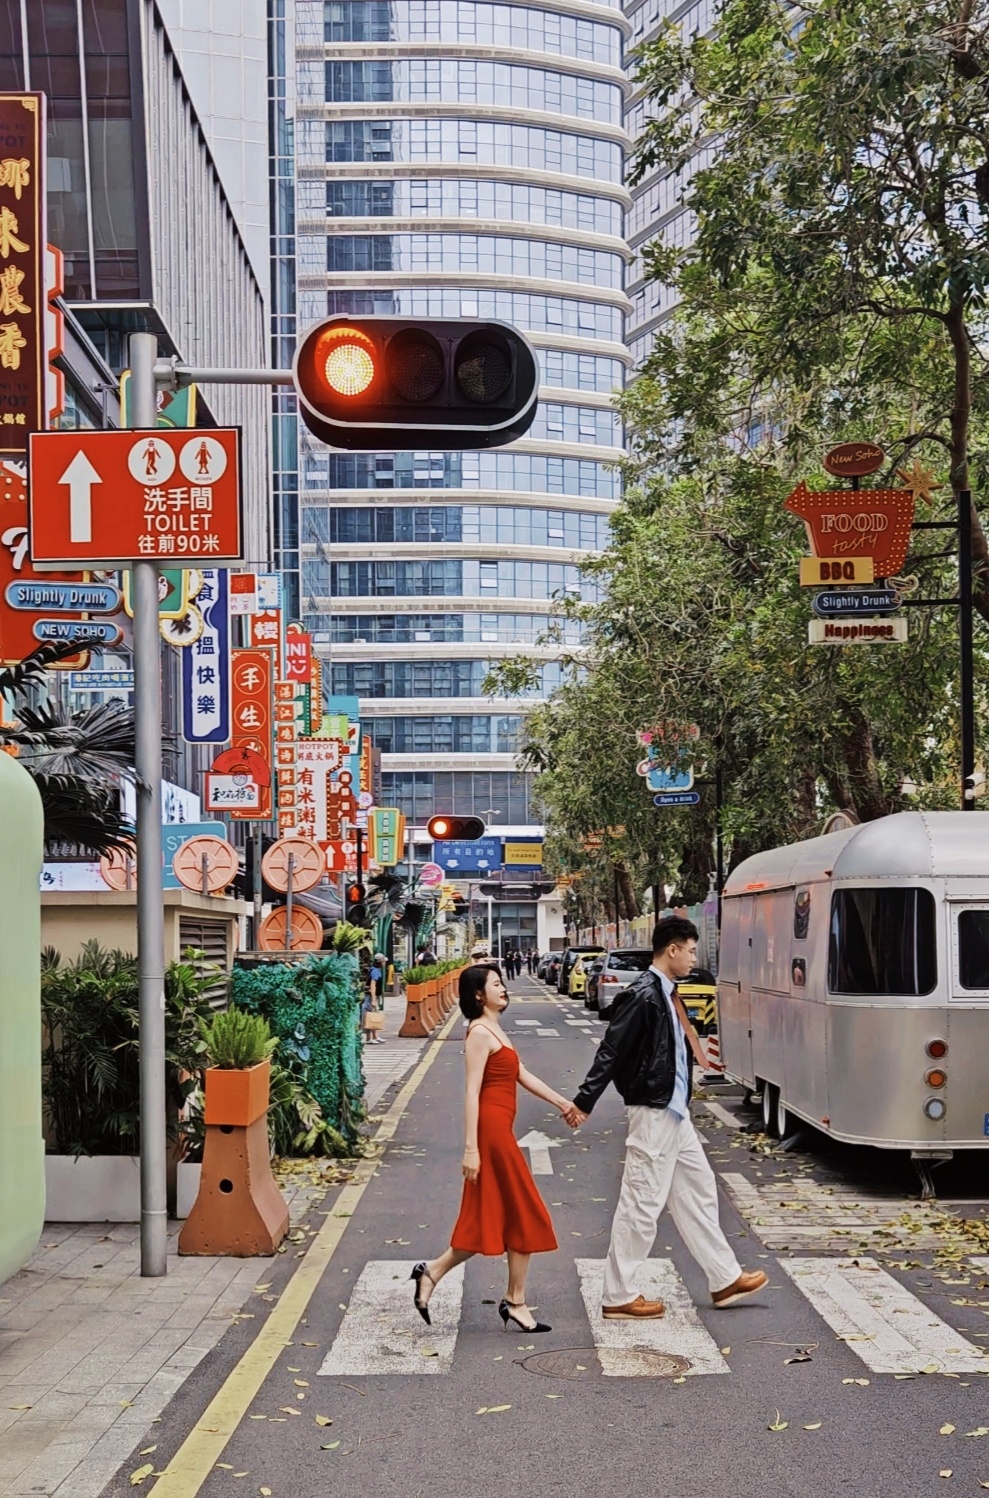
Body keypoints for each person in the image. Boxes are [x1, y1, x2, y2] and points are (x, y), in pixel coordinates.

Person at [571, 916, 768, 1319]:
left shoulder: (666, 992)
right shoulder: (643, 994)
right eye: (691, 950)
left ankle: (724, 1277)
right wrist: (584, 1100)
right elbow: (612, 1049)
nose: (694, 957)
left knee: (698, 1189)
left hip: (675, 1112)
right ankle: (618, 1295)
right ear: (672, 950)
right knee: (642, 1200)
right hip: (654, 1110)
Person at [411, 964, 579, 1332]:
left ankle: (436, 1274)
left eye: (502, 982)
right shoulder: (479, 1033)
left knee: (495, 1217)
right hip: (491, 1133)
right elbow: (471, 1092)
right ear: (477, 994)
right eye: (495, 984)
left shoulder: (495, 1029)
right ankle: (512, 1300)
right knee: (526, 1211)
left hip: (500, 1128)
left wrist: (563, 1103)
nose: (504, 988)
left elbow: (521, 1074)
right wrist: (471, 1148)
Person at [362, 952, 387, 1045]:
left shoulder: (375, 970)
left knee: (373, 1016)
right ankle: (368, 1038)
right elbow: (373, 986)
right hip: (369, 997)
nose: (385, 963)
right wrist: (373, 999)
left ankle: (375, 1036)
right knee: (369, 1016)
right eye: (384, 961)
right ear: (381, 962)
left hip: (372, 996)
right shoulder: (375, 971)